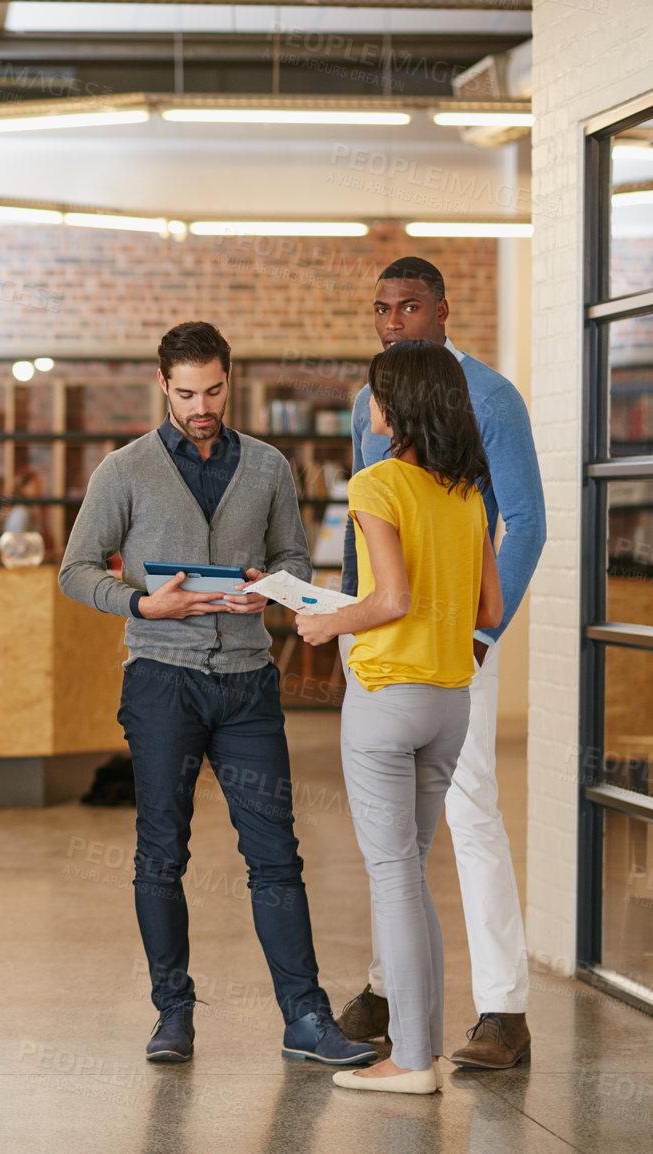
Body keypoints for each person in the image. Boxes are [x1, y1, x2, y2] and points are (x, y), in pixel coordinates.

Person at [59, 321, 375, 1067]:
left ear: (230, 380)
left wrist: (270, 587)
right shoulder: (124, 469)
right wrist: (142, 605)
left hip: (246, 685)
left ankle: (305, 1017)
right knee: (161, 854)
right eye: (187, 392)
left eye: (214, 390)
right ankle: (173, 1013)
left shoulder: (267, 466)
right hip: (161, 683)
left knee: (276, 855)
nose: (202, 406)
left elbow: (292, 554)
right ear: (162, 385)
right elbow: (75, 570)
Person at [335, 257, 546, 1071]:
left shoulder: (489, 398)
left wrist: (483, 639)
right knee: (397, 835)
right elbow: (373, 510)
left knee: (471, 812)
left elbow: (522, 522)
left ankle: (504, 1010)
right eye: (382, 308)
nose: (394, 322)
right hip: (382, 645)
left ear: (444, 312)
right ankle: (388, 992)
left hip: (458, 644)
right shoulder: (369, 404)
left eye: (411, 307)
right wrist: (346, 619)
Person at [299, 339, 504, 1095]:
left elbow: (391, 600)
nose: (370, 404)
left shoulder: (376, 483)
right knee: (407, 879)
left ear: (403, 404)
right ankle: (421, 1050)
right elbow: (490, 608)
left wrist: (328, 625)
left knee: (394, 879)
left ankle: (412, 1060)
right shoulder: (469, 492)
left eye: (377, 393)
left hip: (386, 701)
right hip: (451, 700)